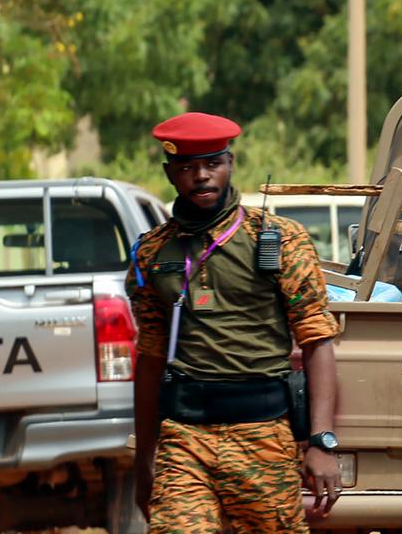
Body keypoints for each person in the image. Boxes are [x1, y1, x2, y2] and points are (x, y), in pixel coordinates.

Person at [127, 113, 342, 532]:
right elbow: (149, 359)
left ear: (231, 162)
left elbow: (317, 341)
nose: (201, 177)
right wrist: (143, 460)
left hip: (263, 437)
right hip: (185, 438)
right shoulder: (154, 253)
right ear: (170, 173)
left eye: (212, 164)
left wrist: (322, 441)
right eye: (187, 168)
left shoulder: (279, 240)